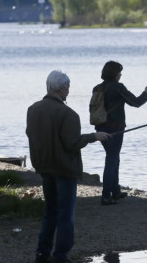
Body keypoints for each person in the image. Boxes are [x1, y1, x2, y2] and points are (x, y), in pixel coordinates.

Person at [26, 70, 111, 263]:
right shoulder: (67, 113)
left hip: (44, 167)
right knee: (65, 214)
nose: (69, 91)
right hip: (64, 169)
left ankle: (42, 252)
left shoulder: (33, 109)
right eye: (68, 87)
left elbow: (30, 133)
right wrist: (94, 137)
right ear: (62, 88)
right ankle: (61, 254)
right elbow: (72, 143)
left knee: (50, 211)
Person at [93, 61, 147, 205]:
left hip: (100, 128)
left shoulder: (97, 88)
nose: (121, 74)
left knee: (114, 158)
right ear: (114, 73)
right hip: (115, 129)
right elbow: (136, 102)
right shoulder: (118, 87)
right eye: (119, 72)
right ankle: (106, 195)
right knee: (112, 160)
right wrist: (146, 93)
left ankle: (115, 191)